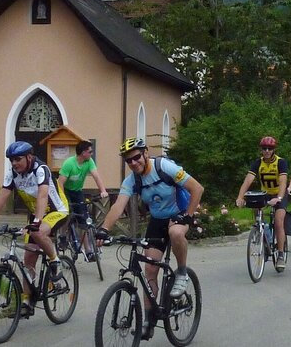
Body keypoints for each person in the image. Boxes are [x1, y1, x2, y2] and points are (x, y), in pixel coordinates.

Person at [96, 137, 204, 340]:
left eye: (136, 157)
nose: (134, 163)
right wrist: (103, 229)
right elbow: (118, 206)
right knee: (150, 271)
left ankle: (181, 272)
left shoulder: (164, 167)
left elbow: (197, 188)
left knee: (176, 233)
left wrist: (188, 215)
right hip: (157, 220)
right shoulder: (132, 180)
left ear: (145, 153)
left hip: (178, 214)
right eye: (129, 161)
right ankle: (149, 321)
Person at [0, 141, 69, 317]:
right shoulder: (12, 173)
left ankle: (55, 260)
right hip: (37, 216)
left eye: (17, 159)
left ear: (29, 157)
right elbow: (2, 195)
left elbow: (43, 195)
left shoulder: (40, 169)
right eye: (11, 160)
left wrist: (37, 221)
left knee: (38, 231)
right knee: (28, 261)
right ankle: (27, 301)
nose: (14, 163)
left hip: (57, 210)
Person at [235, 136, 289, 269]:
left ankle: (281, 255)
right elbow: (247, 181)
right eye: (264, 148)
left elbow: (283, 182)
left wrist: (279, 198)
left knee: (278, 222)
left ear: (274, 149)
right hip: (265, 193)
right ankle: (263, 237)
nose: (266, 151)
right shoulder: (258, 163)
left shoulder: (281, 162)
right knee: (256, 210)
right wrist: (240, 197)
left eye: (269, 148)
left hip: (279, 194)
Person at [57, 140, 109, 259]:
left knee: (84, 222)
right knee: (66, 214)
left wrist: (103, 191)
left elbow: (96, 176)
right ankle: (63, 236)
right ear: (83, 153)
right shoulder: (69, 164)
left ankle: (89, 251)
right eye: (90, 151)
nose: (91, 153)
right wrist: (62, 200)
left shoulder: (89, 161)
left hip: (77, 191)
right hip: (65, 191)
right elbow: (60, 183)